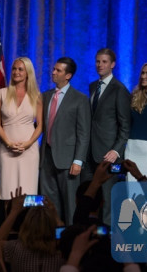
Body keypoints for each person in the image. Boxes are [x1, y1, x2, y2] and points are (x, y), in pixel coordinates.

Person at [40, 57, 91, 225]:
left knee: (70, 204)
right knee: (49, 204)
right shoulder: (46, 96)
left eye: (58, 70)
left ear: (68, 75)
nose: (53, 72)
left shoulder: (80, 99)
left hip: (68, 160)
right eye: (54, 69)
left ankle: (71, 239)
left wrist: (78, 160)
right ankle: (51, 239)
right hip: (46, 157)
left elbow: (83, 133)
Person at [85, 48, 131, 225]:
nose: (100, 65)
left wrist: (116, 150)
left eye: (104, 62)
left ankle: (108, 242)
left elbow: (125, 126)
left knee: (109, 200)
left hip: (108, 155)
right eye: (98, 61)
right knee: (89, 197)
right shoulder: (92, 87)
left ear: (112, 64)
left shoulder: (119, 90)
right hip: (89, 153)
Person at [0, 57, 42, 198]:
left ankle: (28, 220)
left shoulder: (37, 96)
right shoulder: (1, 93)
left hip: (29, 151)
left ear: (28, 72)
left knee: (28, 194)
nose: (16, 72)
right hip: (7, 150)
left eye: (20, 69)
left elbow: (40, 125)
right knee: (7, 193)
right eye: (14, 69)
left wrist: (28, 143)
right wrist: (8, 143)